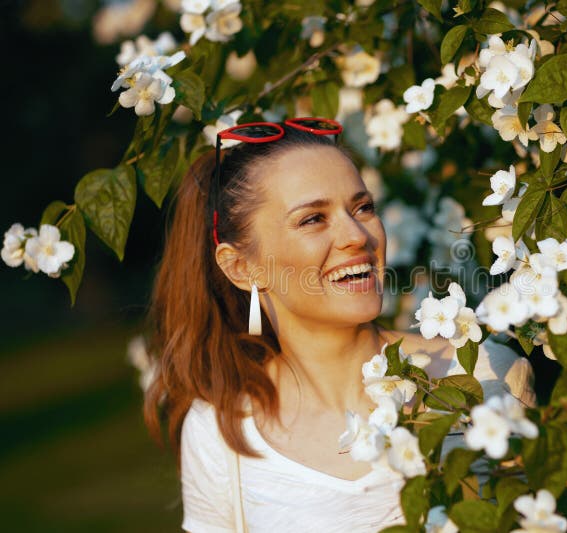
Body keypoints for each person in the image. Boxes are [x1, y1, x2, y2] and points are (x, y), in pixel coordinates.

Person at [143, 118, 535, 533]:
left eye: (362, 207)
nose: (357, 235)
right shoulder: (222, 435)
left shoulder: (483, 374)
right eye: (313, 219)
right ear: (242, 267)